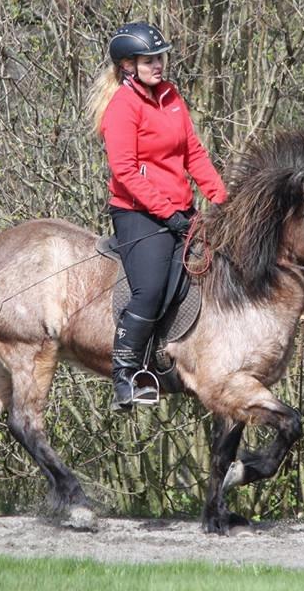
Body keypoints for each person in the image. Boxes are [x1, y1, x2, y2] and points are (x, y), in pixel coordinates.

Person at [86, 21, 227, 412]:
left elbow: (193, 154)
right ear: (128, 65)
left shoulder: (171, 97)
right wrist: (168, 215)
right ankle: (126, 375)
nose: (158, 65)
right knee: (149, 288)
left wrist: (223, 200)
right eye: (149, 60)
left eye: (160, 57)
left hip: (180, 210)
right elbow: (126, 172)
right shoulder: (122, 107)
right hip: (137, 214)